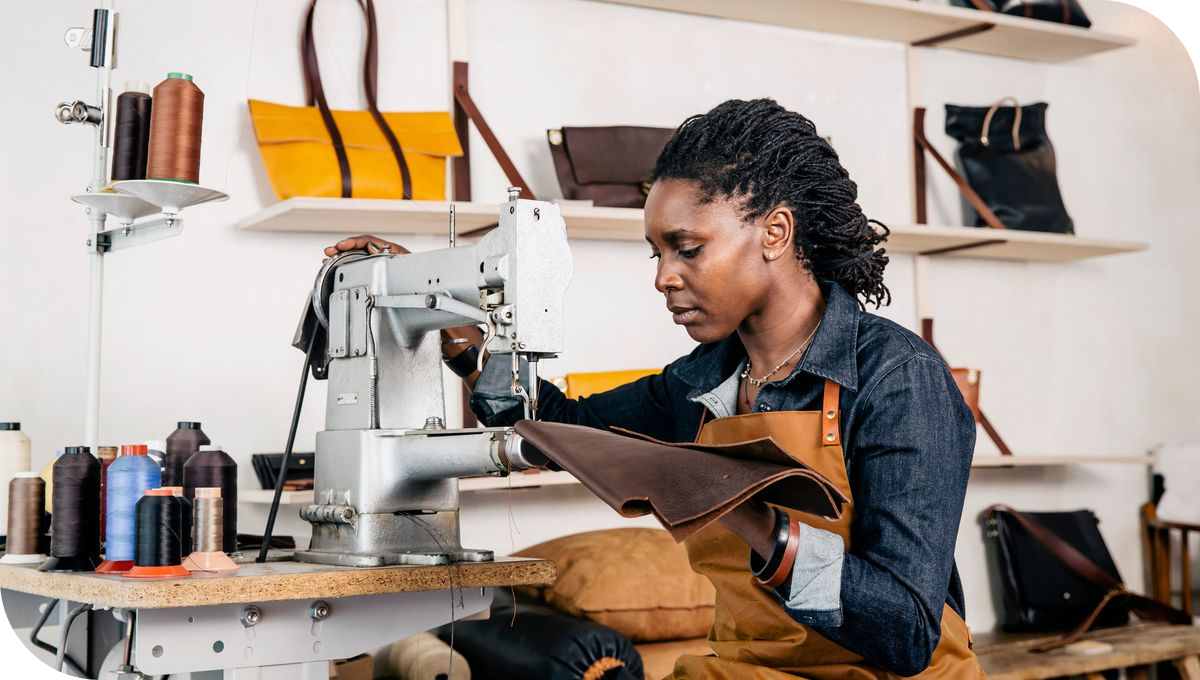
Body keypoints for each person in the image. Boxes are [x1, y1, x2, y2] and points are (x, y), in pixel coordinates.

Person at [325, 99, 984, 678]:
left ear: (775, 233)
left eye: (687, 248)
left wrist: (752, 517)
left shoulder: (898, 378)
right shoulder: (700, 382)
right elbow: (556, 427)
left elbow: (906, 635)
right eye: (656, 253)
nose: (663, 277)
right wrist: (451, 326)